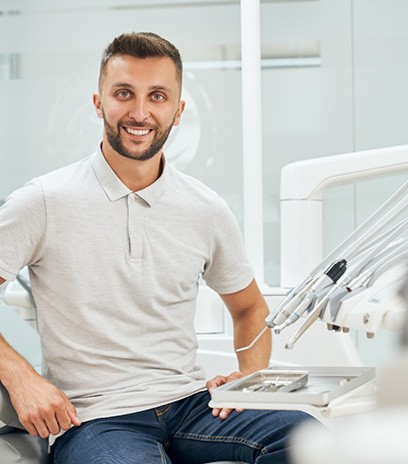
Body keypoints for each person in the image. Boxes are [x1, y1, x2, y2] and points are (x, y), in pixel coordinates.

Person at [0, 32, 312, 463]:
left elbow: (250, 308)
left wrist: (248, 380)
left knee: (311, 443)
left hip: (191, 405)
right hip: (95, 419)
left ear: (178, 110)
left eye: (158, 96)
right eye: (124, 93)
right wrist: (22, 378)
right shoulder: (44, 201)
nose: (140, 112)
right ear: (98, 103)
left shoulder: (205, 207)